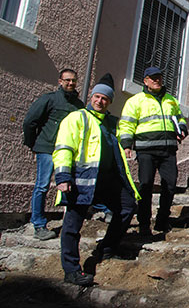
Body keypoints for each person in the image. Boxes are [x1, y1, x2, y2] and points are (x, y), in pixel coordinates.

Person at [53, 74, 140, 286]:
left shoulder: (112, 123)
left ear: (109, 102)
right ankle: (72, 270)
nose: (100, 101)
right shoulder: (76, 118)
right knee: (72, 226)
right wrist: (63, 177)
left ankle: (107, 248)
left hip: (108, 181)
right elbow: (64, 147)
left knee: (127, 206)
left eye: (105, 99)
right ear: (91, 97)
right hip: (80, 181)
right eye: (97, 97)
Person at [119, 67, 188, 235]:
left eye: (159, 78)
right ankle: (144, 223)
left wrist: (182, 128)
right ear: (145, 81)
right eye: (153, 78)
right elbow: (126, 124)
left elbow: (178, 118)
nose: (157, 80)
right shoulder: (136, 101)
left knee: (170, 184)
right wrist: (126, 144)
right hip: (146, 150)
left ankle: (162, 221)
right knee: (145, 185)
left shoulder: (171, 100)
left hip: (168, 150)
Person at [23, 68, 85, 240]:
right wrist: (33, 144)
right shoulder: (49, 99)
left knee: (69, 185)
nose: (71, 83)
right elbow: (30, 122)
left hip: (68, 152)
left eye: (73, 80)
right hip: (47, 149)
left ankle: (70, 221)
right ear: (60, 81)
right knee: (42, 186)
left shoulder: (79, 106)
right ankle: (39, 224)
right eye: (67, 80)